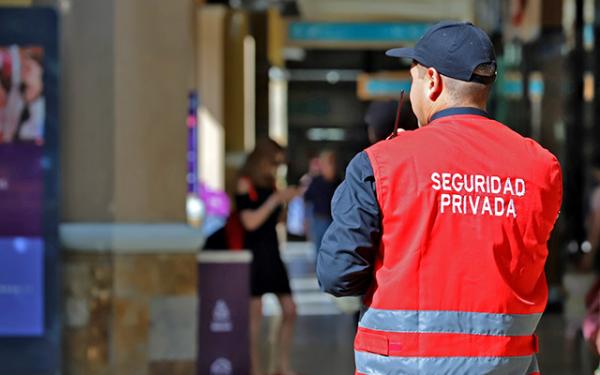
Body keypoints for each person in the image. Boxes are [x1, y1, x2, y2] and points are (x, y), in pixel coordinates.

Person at [317, 21, 563, 375]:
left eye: (413, 78)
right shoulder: (542, 167)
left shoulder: (381, 164)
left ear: (431, 81)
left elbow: (337, 275)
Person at [236, 138, 299, 375]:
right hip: (254, 254)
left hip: (272, 251)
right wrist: (275, 200)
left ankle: (282, 365)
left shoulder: (271, 183)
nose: (276, 168)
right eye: (273, 162)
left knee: (290, 309)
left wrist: (286, 202)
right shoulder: (245, 183)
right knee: (255, 314)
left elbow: (277, 221)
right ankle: (255, 368)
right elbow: (250, 222)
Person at [304, 150, 341, 252]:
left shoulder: (340, 183)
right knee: (319, 250)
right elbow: (307, 201)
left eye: (332, 163)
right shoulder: (315, 182)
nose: (330, 166)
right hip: (318, 221)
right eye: (326, 163)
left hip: (335, 222)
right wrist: (306, 221)